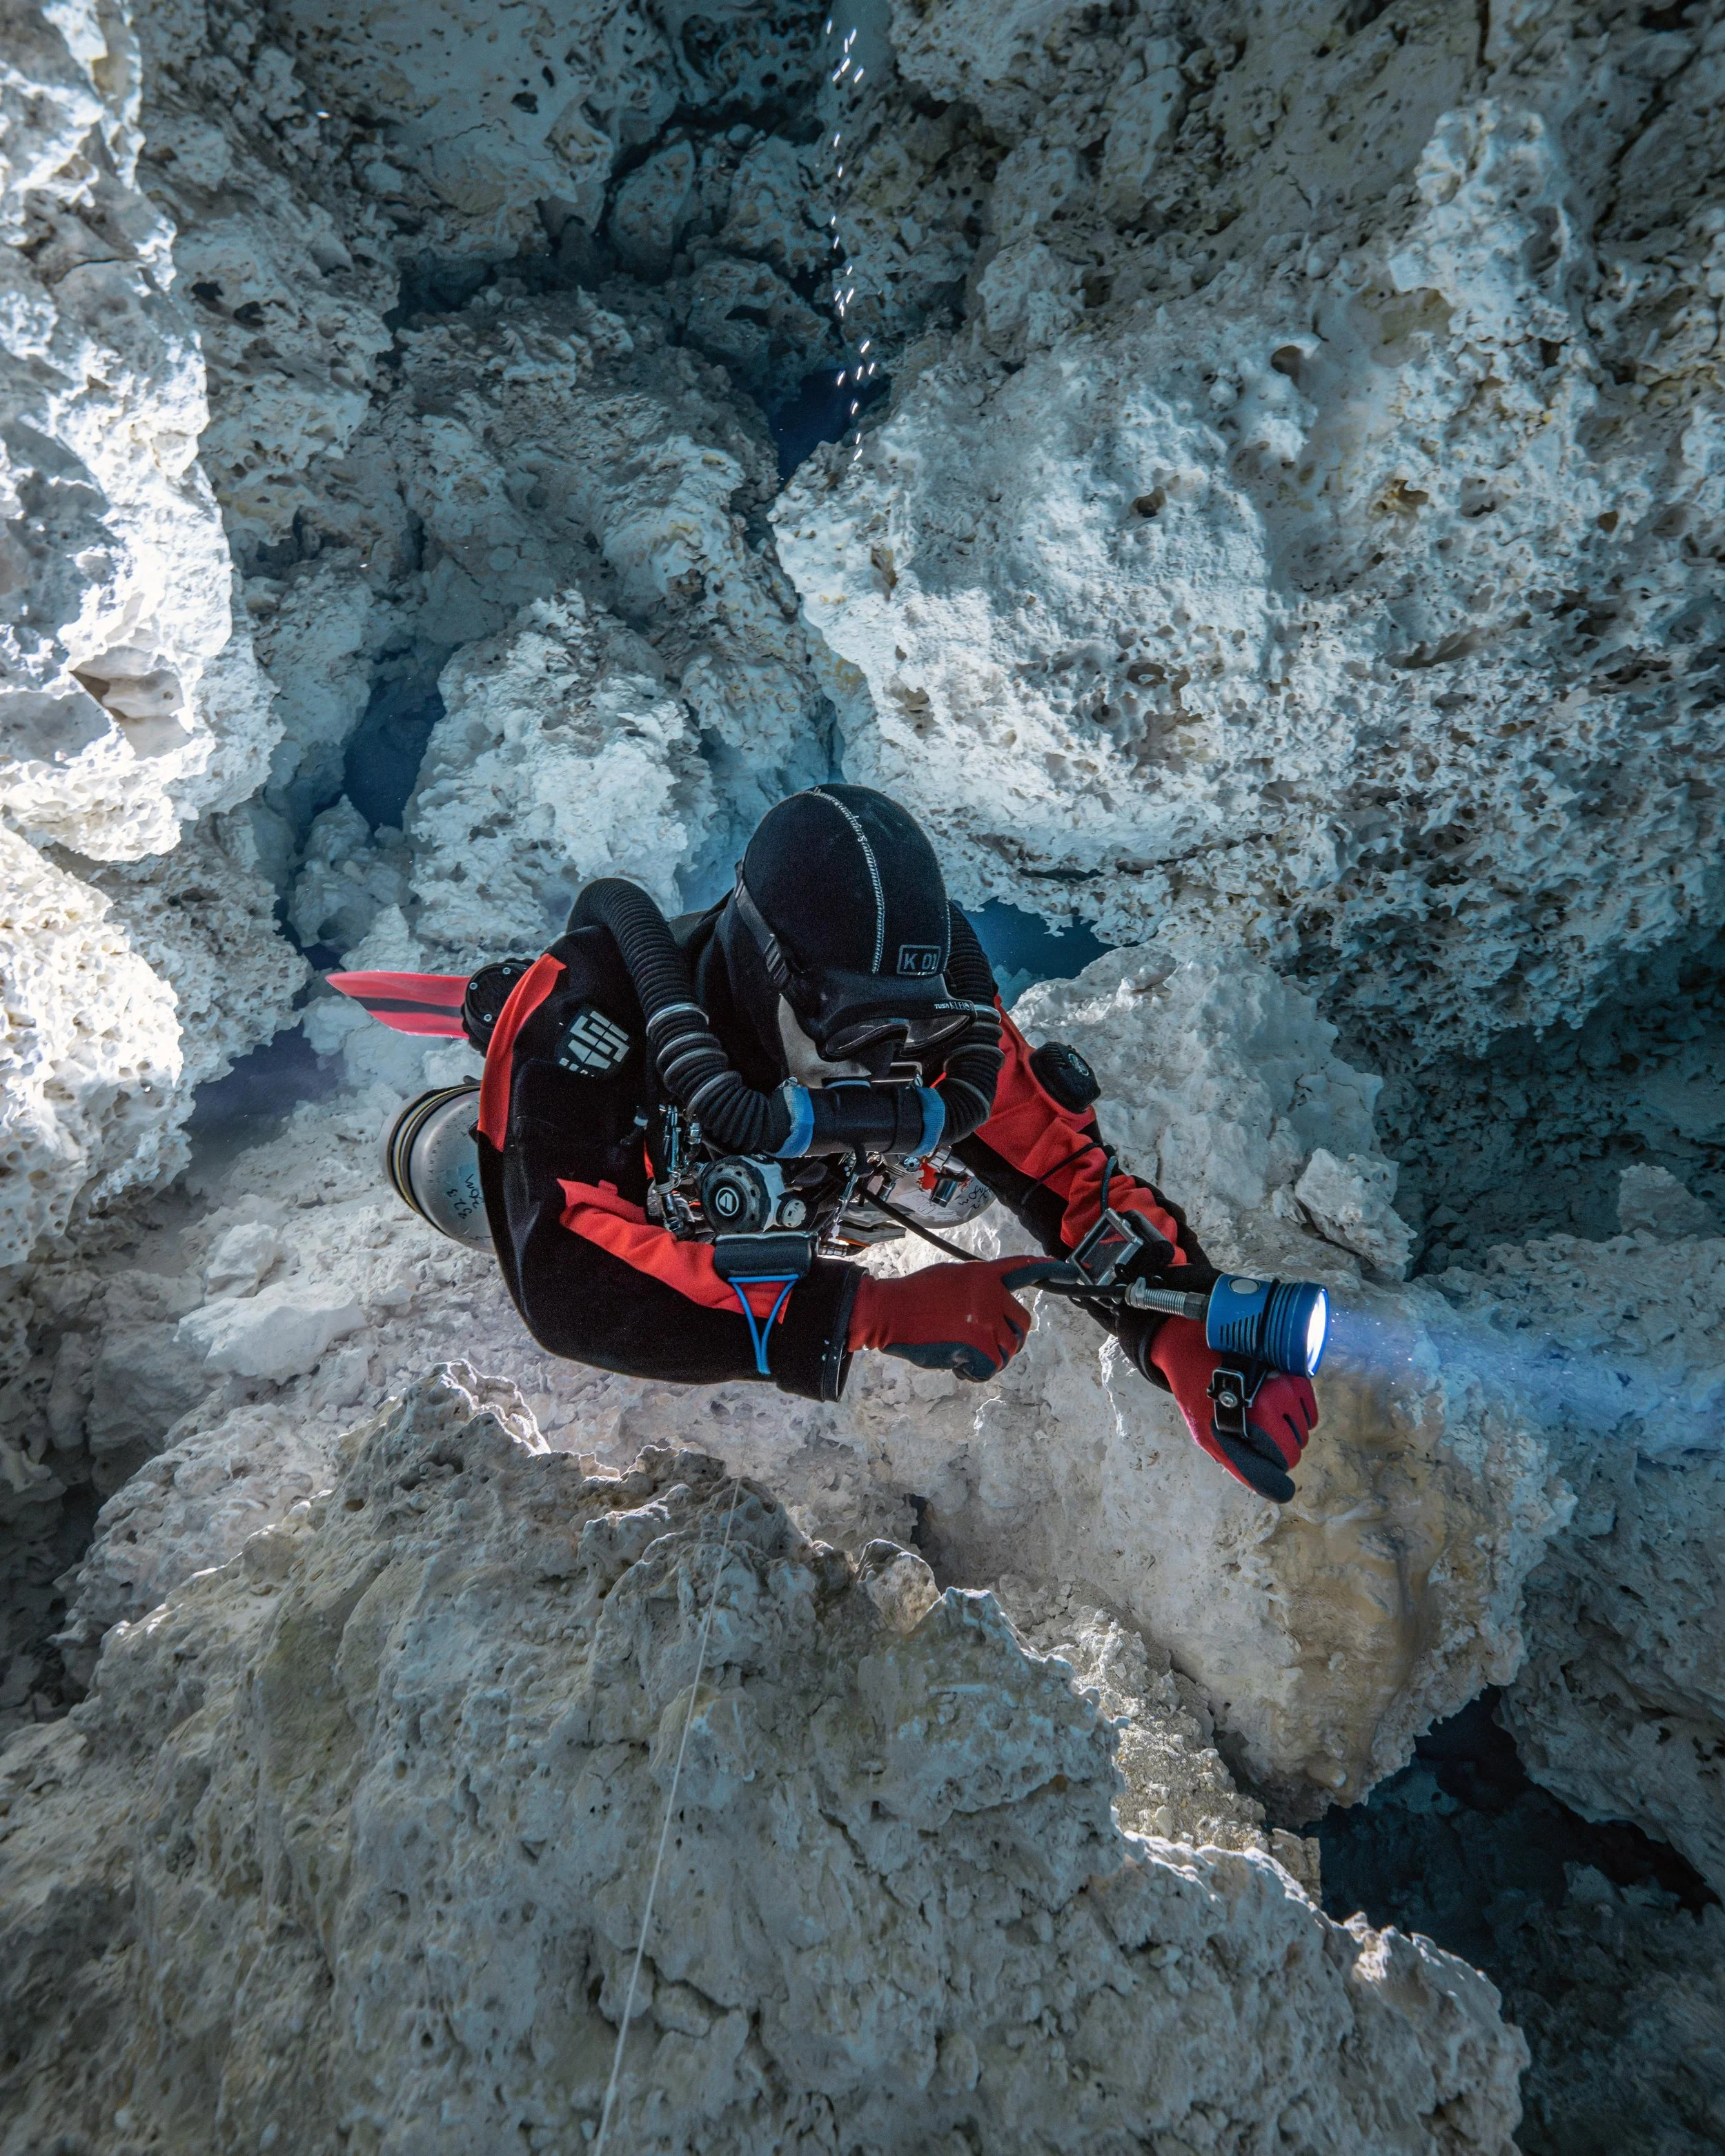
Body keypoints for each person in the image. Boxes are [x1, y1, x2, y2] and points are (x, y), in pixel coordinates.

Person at [464, 784, 1317, 1502]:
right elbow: (566, 1285)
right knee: (456, 1188)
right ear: (769, 971)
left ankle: (853, 1200)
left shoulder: (933, 1016)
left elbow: (1064, 1166)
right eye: (851, 1029)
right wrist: (867, 1313)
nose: (883, 1070)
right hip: (644, 1178)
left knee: (972, 1174)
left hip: (807, 1188)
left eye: (907, 1032)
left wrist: (1174, 1321)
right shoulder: (588, 1005)